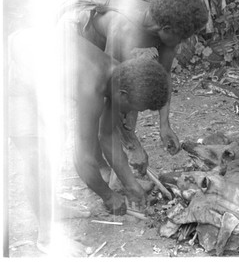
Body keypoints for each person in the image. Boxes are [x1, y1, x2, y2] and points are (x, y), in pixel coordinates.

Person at [8, 26, 169, 256]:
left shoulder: (119, 76)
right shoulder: (93, 84)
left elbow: (107, 135)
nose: (129, 114)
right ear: (124, 94)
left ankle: (52, 206)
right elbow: (83, 160)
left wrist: (132, 185)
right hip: (16, 65)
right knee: (38, 152)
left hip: (40, 65)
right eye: (133, 108)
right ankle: (47, 237)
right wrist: (108, 195)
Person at [58, 0, 208, 174]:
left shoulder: (167, 26)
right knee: (94, 102)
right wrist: (132, 144)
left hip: (105, 43)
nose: (183, 42)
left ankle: (120, 168)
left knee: (130, 97)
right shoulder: (126, 30)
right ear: (167, 29)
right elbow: (110, 90)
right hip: (76, 28)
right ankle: (98, 164)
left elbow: (164, 76)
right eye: (182, 37)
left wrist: (164, 125)